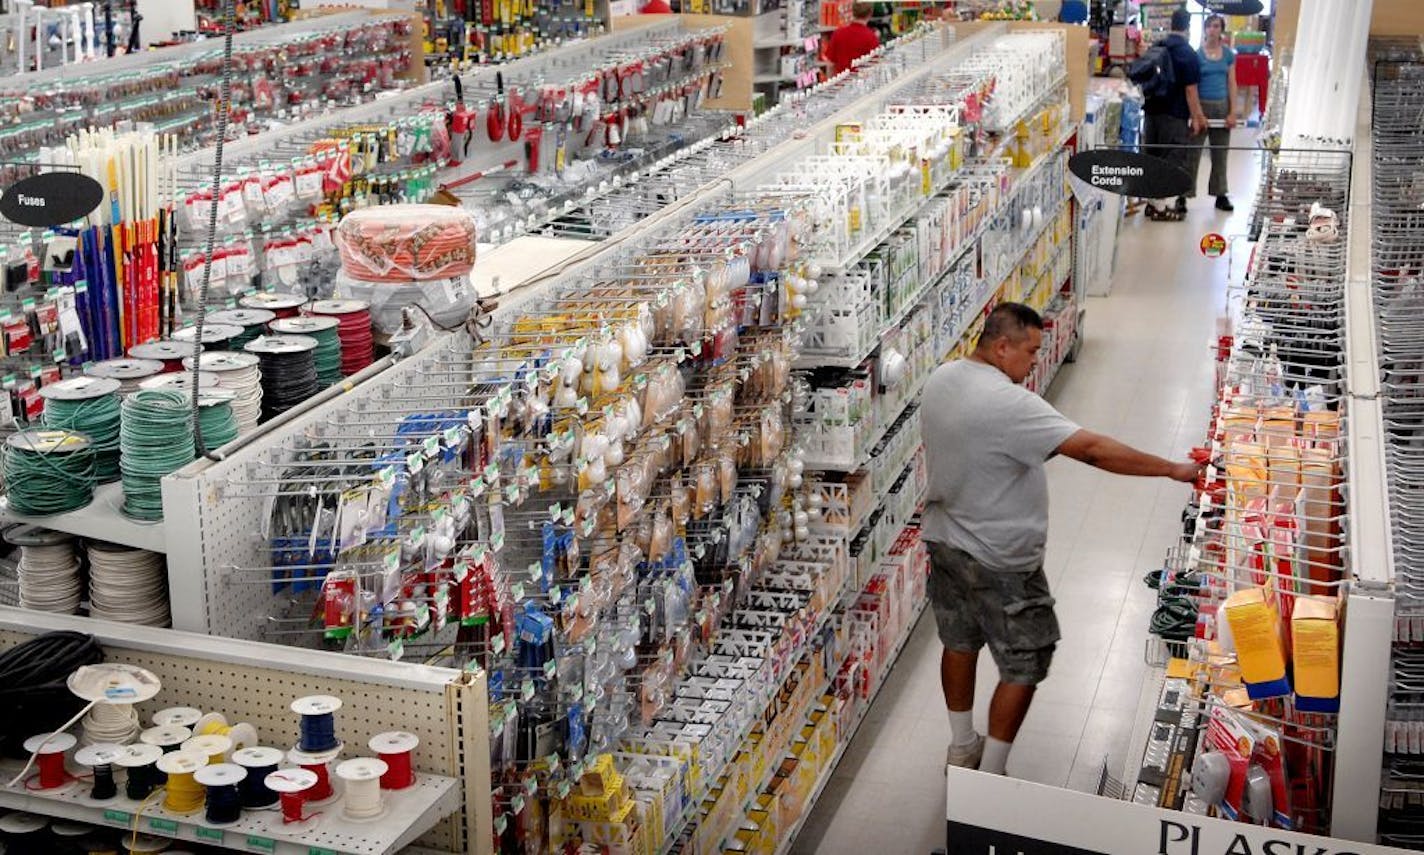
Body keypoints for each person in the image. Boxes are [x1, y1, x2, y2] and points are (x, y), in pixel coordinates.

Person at [921, 302, 1202, 775]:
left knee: (959, 641)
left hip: (947, 543)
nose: (1035, 361)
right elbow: (1090, 451)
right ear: (1002, 346)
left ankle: (962, 745)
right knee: (1025, 663)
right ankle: (991, 773)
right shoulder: (1011, 404)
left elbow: (980, 448)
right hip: (1001, 560)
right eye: (1030, 351)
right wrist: (1173, 469)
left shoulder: (941, 380)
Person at [1142, 8, 1208, 221]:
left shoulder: (1158, 46)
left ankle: (1152, 205)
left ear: (1172, 23)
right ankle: (1162, 208)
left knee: (1152, 157)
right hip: (1174, 115)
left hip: (1151, 112)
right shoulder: (1188, 53)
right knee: (1170, 159)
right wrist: (1197, 117)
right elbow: (1191, 91)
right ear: (1188, 26)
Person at [1191, 14, 1239, 211]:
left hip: (1221, 106)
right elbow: (1192, 85)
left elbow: (1232, 83)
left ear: (1221, 30)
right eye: (1210, 26)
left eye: (1216, 26)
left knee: (1220, 154)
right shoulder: (1197, 55)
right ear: (1205, 29)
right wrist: (1195, 113)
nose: (1213, 29)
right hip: (1201, 106)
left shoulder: (1228, 55)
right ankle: (1183, 196)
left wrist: (1232, 112)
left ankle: (1220, 195)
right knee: (1192, 154)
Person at [824, 3, 880, 76]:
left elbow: (830, 65)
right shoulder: (871, 37)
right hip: (862, 83)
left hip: (841, 82)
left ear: (852, 12)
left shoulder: (838, 34)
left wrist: (831, 83)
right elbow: (876, 65)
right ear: (870, 13)